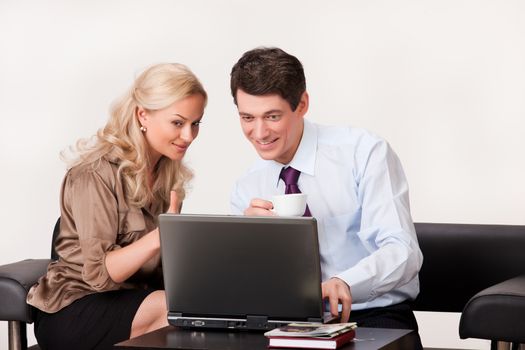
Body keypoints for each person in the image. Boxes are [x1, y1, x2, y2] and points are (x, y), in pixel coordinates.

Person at [229, 48, 424, 332]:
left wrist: (344, 283)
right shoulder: (246, 186)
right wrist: (254, 245)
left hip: (371, 315)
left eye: (272, 117)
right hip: (287, 321)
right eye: (247, 118)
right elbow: (248, 286)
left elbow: (402, 251)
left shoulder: (363, 152)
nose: (259, 134)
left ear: (302, 104)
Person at [27, 63, 207, 350]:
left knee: (210, 308)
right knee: (173, 310)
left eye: (196, 123)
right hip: (74, 308)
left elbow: (160, 273)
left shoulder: (167, 176)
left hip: (133, 300)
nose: (189, 135)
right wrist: (159, 238)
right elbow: (99, 274)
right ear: (142, 115)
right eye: (178, 122)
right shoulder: (94, 173)